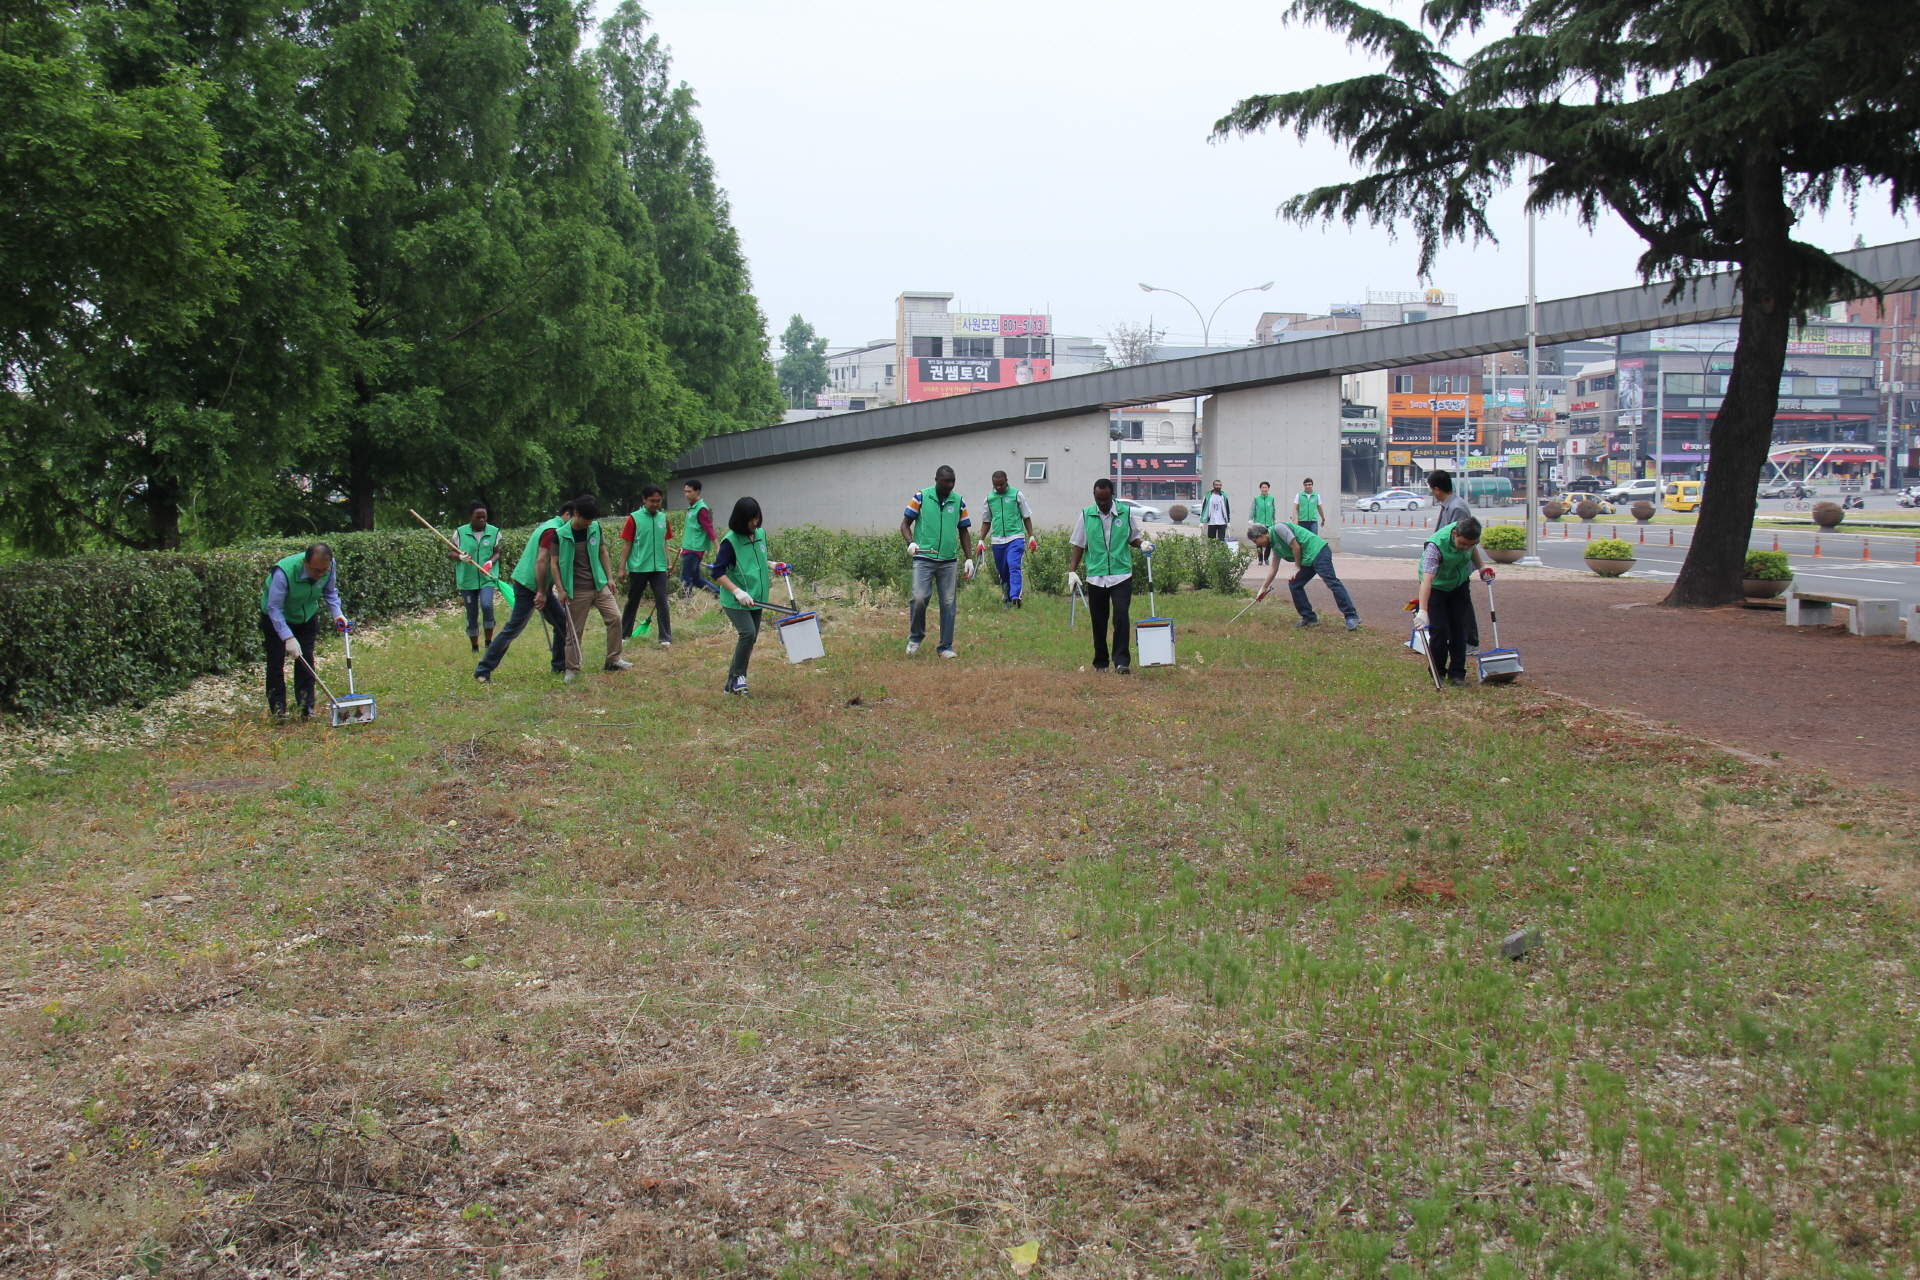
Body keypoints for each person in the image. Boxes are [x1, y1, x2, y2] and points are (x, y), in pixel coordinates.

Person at [474, 500, 576, 683]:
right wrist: (542, 592)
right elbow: (541, 562)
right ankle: (483, 670)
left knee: (562, 624)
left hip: (538, 585)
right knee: (513, 628)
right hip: (530, 585)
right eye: (576, 518)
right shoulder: (552, 530)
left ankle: (559, 666)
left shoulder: (551, 525)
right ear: (567, 515)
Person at [259, 543, 349, 719]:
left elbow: (330, 592)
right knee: (276, 662)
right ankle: (278, 710)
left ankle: (306, 708)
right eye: (316, 570)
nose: (320, 575)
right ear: (305, 563)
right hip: (277, 618)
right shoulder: (283, 572)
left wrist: (337, 614)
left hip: (306, 616)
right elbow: (274, 608)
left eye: (324, 570)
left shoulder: (329, 566)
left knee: (306, 660)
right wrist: (288, 637)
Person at [1066, 478, 1148, 674]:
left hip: (1121, 574)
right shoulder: (1086, 515)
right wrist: (1072, 571)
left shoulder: (1125, 513)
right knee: (1099, 620)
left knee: (1121, 616)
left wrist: (1142, 544)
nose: (1101, 503)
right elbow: (1079, 544)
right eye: (1097, 499)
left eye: (1105, 499)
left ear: (1112, 495)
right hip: (1096, 576)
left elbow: (1133, 537)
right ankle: (1101, 663)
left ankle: (1121, 662)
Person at [549, 495, 629, 678]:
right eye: (587, 519)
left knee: (615, 618)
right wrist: (560, 590)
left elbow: (602, 552)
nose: (589, 523)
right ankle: (572, 668)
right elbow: (553, 564)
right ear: (576, 513)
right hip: (576, 590)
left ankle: (613, 659)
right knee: (574, 631)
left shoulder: (595, 527)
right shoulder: (560, 534)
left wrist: (609, 578)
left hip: (599, 584)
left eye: (592, 519)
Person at [900, 465, 974, 657]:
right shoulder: (921, 497)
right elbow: (905, 524)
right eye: (946, 481)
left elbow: (964, 530)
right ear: (936, 480)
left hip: (948, 560)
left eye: (953, 481)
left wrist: (969, 558)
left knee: (948, 603)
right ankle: (915, 638)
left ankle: (945, 647)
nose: (950, 485)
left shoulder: (958, 501)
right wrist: (911, 542)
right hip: (924, 557)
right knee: (919, 597)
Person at [1414, 516, 1494, 687]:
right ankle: (1438, 672)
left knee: (1459, 630)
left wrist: (1481, 567)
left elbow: (1472, 550)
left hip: (1459, 585)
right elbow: (1427, 580)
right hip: (1436, 587)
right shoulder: (1436, 546)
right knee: (1440, 630)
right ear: (1455, 534)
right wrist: (1423, 610)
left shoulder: (1469, 542)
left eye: (1471, 544)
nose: (1466, 548)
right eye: (1463, 544)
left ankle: (1457, 674)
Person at [1246, 520, 1361, 631]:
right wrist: (1263, 589)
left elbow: (1296, 546)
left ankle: (1352, 616)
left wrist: (1297, 567)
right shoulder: (1275, 545)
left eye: (1255, 541)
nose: (1256, 545)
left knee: (1332, 582)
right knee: (1295, 584)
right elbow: (1274, 568)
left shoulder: (1278, 529)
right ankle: (1309, 618)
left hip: (1318, 551)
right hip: (1307, 559)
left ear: (1260, 536)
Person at [710, 496, 770, 696]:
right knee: (747, 634)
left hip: (757, 598)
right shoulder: (730, 542)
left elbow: (756, 558)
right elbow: (717, 571)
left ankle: (732, 683)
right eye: (751, 519)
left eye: (757, 518)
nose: (755, 522)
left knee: (750, 639)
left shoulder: (759, 534)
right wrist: (736, 591)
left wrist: (773, 565)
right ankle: (738, 679)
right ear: (740, 519)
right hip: (736, 600)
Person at [1425, 470, 1477, 646]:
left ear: (1437, 489)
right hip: (1447, 566)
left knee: (1462, 605)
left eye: (1431, 489)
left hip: (1457, 567)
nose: (1431, 492)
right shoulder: (1450, 505)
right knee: (1456, 604)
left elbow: (1465, 540)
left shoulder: (1457, 508)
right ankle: (1461, 639)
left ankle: (1470, 640)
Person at [619, 484, 675, 648]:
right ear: (644, 500)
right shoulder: (633, 518)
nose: (656, 504)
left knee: (662, 601)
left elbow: (665, 542)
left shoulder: (663, 519)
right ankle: (624, 634)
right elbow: (627, 544)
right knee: (633, 601)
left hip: (659, 568)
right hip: (639, 568)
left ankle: (665, 637)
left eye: (658, 501)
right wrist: (622, 568)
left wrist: (669, 562)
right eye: (652, 501)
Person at [447, 503, 500, 653]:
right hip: (467, 579)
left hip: (487, 578)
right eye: (478, 517)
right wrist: (459, 556)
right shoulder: (460, 532)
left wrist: (491, 561)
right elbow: (451, 553)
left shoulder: (494, 532)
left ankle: (489, 643)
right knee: (472, 612)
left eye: (484, 517)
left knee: (487, 605)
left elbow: (497, 552)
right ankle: (474, 647)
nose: (482, 520)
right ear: (471, 517)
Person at [980, 470, 1037, 608]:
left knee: (1013, 565)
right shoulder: (989, 499)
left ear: (1007, 481)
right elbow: (986, 521)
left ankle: (1015, 596)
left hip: (1015, 537)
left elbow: (1026, 516)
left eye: (1001, 484)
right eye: (995, 485)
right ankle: (1007, 594)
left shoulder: (1017, 495)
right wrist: (981, 540)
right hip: (998, 540)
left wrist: (1031, 536)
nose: (998, 487)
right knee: (1003, 570)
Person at [679, 479, 720, 598]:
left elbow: (709, 528)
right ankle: (719, 594)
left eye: (689, 492)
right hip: (689, 548)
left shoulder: (701, 508)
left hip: (694, 549)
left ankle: (686, 603)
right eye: (685, 492)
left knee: (686, 579)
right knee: (696, 578)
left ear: (697, 491)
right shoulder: (692, 507)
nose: (687, 494)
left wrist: (717, 547)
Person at [1251, 483, 1277, 565]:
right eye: (1262, 487)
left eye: (1266, 487)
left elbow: (1273, 510)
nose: (1264, 489)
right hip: (1259, 523)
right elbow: (1253, 509)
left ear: (1268, 488)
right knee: (1259, 542)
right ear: (1260, 489)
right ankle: (1260, 559)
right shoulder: (1256, 498)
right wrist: (1250, 519)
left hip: (1269, 523)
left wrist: (1274, 519)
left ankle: (1266, 558)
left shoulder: (1271, 498)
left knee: (1269, 542)